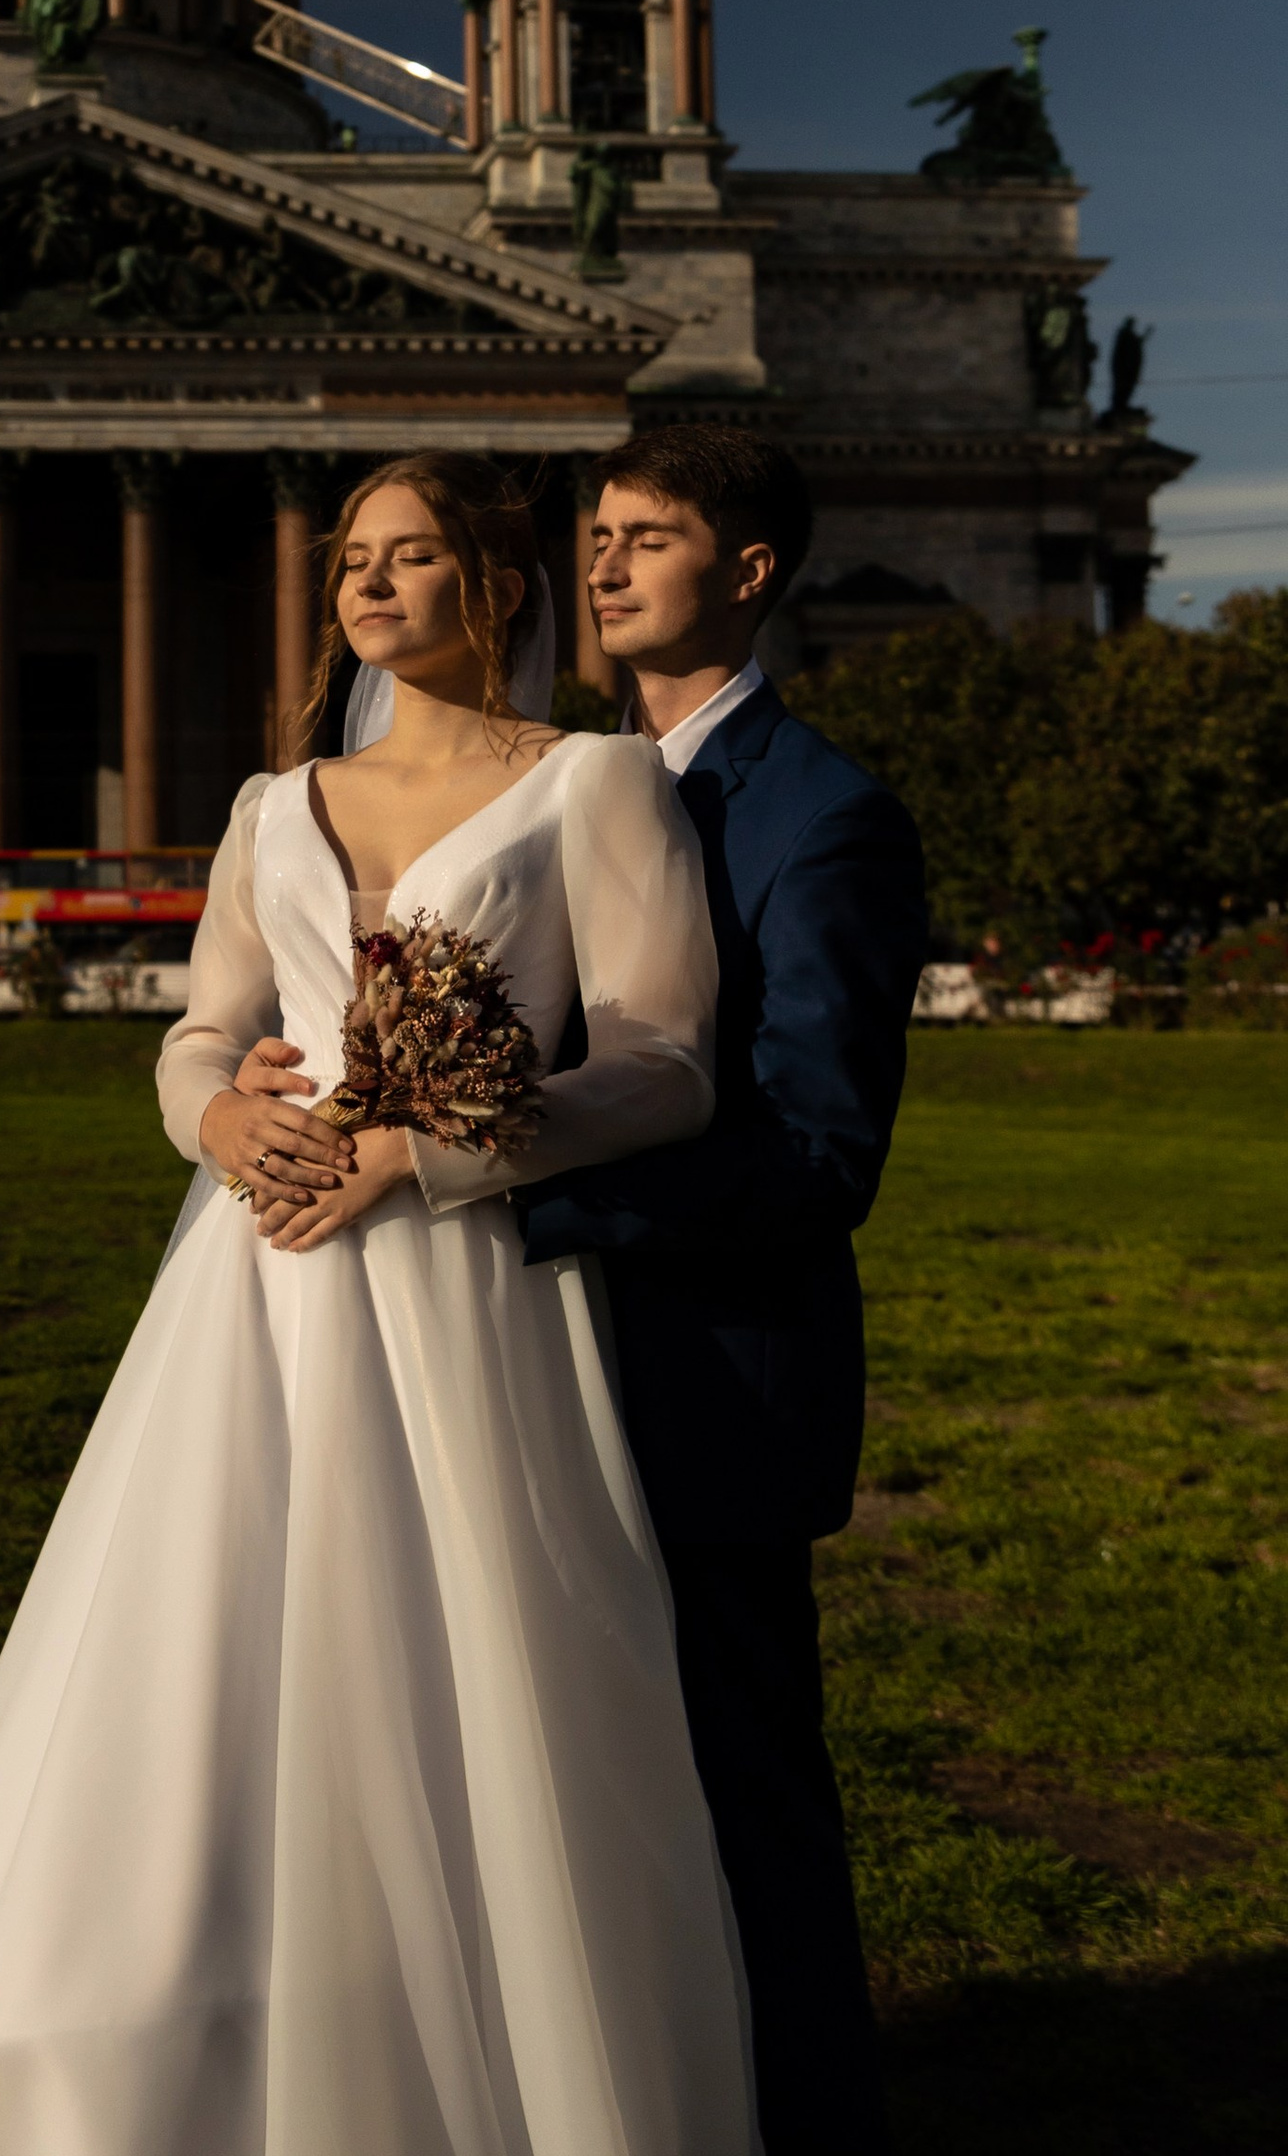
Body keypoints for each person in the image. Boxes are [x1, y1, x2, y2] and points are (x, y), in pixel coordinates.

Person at [0, 452, 758, 2156]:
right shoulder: (268, 802)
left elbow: (668, 1066)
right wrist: (224, 1119)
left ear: (495, 586)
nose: (369, 589)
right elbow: (194, 1038)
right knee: (206, 1676)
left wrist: (430, 1151)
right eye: (353, 565)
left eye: (409, 558)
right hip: (260, 1294)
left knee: (470, 1682)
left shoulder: (597, 784)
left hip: (468, 1291)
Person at [516, 424, 928, 2156]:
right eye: (597, 535)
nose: (604, 565)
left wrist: (519, 1198)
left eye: (650, 537)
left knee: (742, 1782)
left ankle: (806, 2116)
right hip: (534, 1376)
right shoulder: (551, 787)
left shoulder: (822, 816)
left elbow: (819, 1152)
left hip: (708, 1378)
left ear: (748, 575)